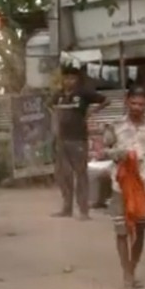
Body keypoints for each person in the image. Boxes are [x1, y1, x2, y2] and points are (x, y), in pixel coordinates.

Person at [101, 84, 145, 289]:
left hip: (144, 187)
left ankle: (132, 268)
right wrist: (117, 154)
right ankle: (127, 275)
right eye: (133, 103)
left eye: (141, 104)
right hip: (120, 187)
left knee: (139, 231)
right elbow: (102, 150)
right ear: (126, 102)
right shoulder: (115, 126)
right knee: (121, 231)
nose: (137, 107)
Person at [51, 65, 109, 219]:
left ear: (77, 79)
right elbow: (52, 109)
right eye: (66, 78)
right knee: (64, 175)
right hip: (62, 139)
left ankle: (83, 210)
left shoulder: (83, 93)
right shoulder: (58, 95)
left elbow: (106, 100)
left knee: (81, 174)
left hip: (78, 139)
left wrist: (91, 112)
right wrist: (55, 130)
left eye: (72, 78)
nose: (69, 81)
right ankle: (66, 208)